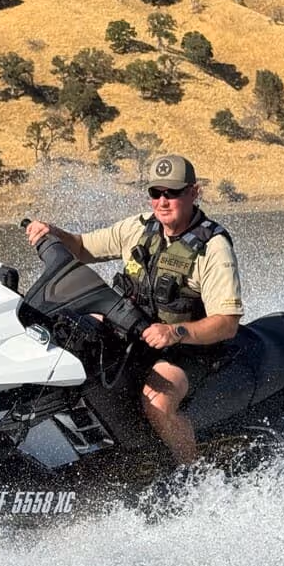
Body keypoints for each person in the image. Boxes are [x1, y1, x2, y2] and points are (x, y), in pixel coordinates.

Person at [25, 154, 244, 466]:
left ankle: (192, 475)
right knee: (69, 339)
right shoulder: (138, 228)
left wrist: (175, 332)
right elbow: (82, 247)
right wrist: (54, 233)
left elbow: (227, 323)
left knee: (157, 402)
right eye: (156, 193)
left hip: (189, 347)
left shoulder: (213, 247)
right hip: (135, 334)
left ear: (193, 192)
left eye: (173, 192)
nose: (163, 201)